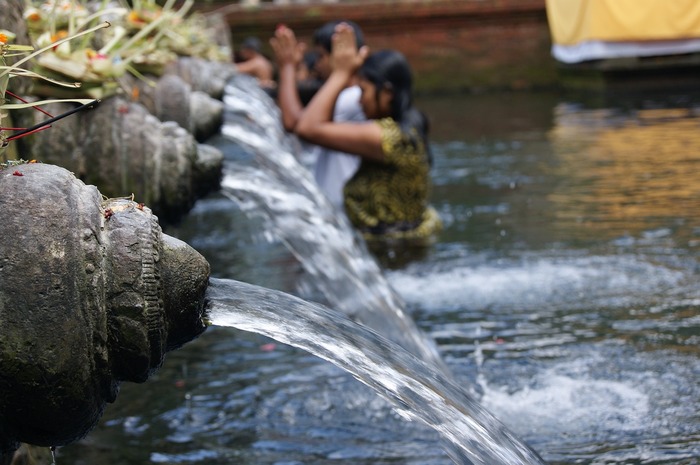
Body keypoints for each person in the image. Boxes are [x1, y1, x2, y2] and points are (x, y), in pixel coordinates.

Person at [294, 23, 441, 240]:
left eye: (363, 91)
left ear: (387, 93)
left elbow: (306, 128)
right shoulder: (406, 126)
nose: (359, 100)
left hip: (391, 253)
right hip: (394, 249)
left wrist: (341, 73)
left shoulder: (386, 137)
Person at [270, 21, 365, 210]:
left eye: (321, 56)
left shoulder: (353, 99)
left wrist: (287, 67)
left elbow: (295, 123)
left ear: (339, 56)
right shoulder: (342, 96)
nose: (318, 64)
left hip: (345, 210)